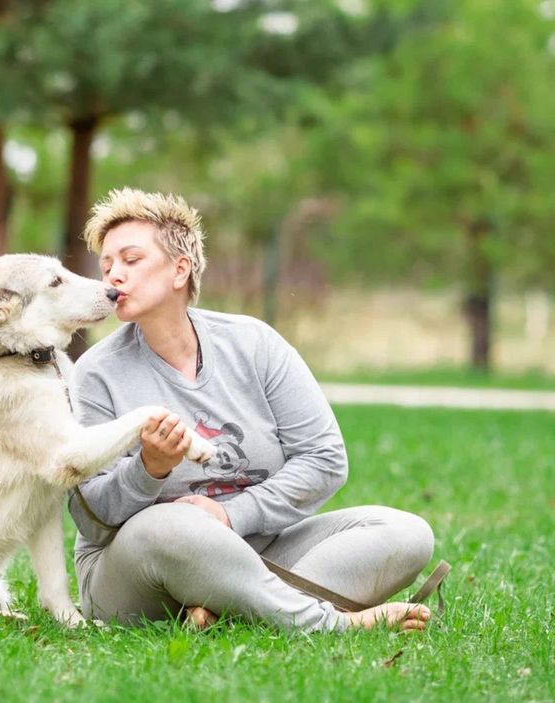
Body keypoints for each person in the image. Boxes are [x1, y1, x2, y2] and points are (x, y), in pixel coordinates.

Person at [68, 187, 435, 632]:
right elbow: (91, 521)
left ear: (180, 269)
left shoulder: (255, 344)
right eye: (106, 266)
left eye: (131, 260)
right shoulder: (93, 374)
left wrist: (230, 515)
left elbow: (324, 459)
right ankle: (328, 624)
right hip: (138, 575)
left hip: (258, 550)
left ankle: (229, 612)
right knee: (167, 525)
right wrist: (150, 468)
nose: (113, 277)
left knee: (406, 533)